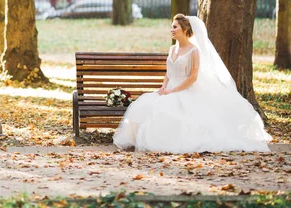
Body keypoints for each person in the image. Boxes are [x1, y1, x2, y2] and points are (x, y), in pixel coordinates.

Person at [113, 14, 271, 153]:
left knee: (171, 110)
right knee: (146, 104)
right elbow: (168, 72)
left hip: (185, 89)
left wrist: (173, 90)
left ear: (184, 29)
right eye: (171, 27)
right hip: (169, 88)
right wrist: (164, 87)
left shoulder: (194, 50)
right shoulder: (172, 49)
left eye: (175, 27)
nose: (172, 30)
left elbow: (193, 77)